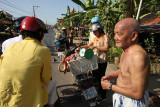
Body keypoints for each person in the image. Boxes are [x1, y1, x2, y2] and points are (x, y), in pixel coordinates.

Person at [0, 17, 52, 107]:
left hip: (5, 100)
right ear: (40, 34)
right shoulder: (43, 51)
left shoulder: (10, 47)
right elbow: (46, 79)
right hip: (30, 102)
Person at [101, 18, 150, 107]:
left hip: (133, 102)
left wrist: (110, 86)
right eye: (115, 33)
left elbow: (138, 94)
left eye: (119, 34)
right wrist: (111, 75)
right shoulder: (126, 50)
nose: (115, 37)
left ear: (133, 35)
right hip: (122, 97)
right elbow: (124, 70)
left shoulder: (137, 56)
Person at [77, 22, 109, 100]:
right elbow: (88, 46)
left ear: (100, 30)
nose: (94, 33)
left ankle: (103, 96)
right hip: (95, 61)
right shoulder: (94, 38)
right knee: (94, 78)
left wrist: (96, 47)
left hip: (102, 61)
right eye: (93, 32)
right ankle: (97, 94)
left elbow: (106, 49)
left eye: (95, 31)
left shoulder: (105, 37)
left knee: (101, 78)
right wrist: (80, 46)